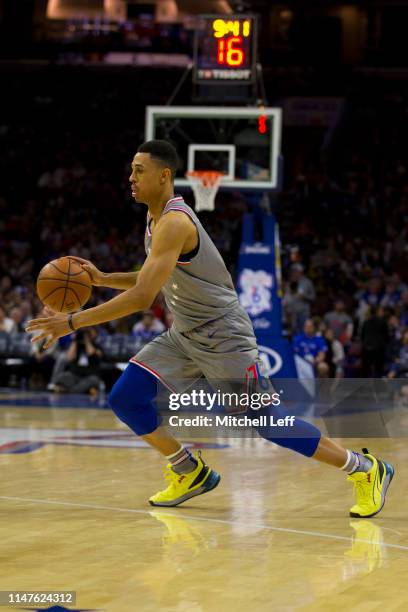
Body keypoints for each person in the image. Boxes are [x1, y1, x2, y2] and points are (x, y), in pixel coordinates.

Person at [26, 140, 394, 517]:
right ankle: (189, 471)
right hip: (186, 333)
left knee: (268, 424)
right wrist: (103, 278)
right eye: (131, 169)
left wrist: (70, 321)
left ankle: (365, 469)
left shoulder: (174, 223)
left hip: (224, 336)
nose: (131, 177)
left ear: (163, 175)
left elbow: (142, 298)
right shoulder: (155, 219)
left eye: (139, 169)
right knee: (125, 397)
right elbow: (152, 277)